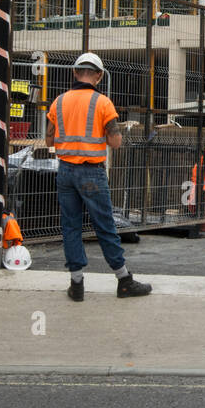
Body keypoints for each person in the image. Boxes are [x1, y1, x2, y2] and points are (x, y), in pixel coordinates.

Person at [46, 52, 151, 302]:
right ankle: (124, 280)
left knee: (70, 226)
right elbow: (115, 141)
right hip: (91, 172)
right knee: (105, 226)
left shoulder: (58, 102)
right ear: (99, 75)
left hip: (65, 172)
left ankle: (77, 284)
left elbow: (49, 138)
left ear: (74, 72)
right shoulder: (103, 103)